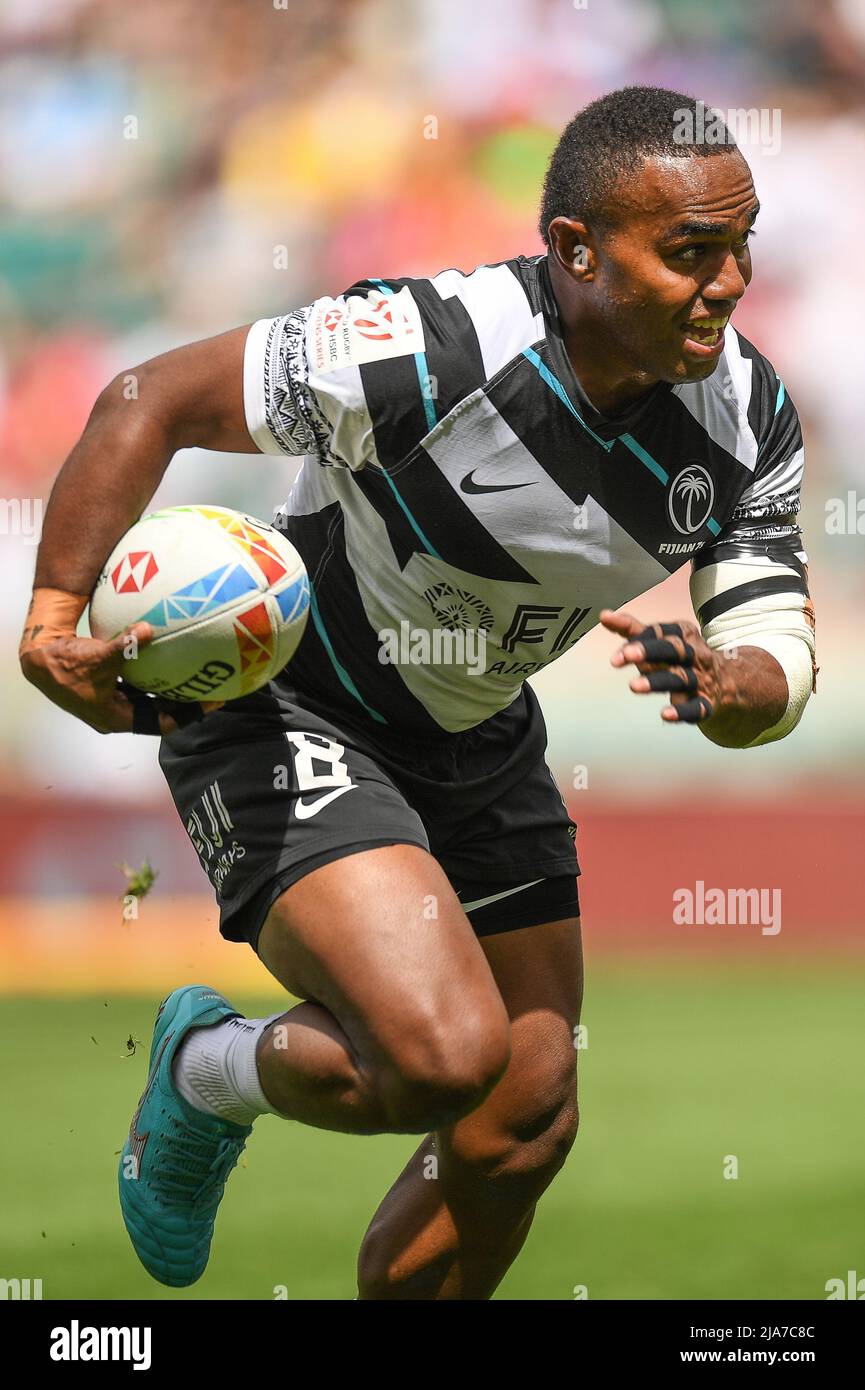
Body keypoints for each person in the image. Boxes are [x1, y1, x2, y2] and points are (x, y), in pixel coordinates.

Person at [19, 86, 816, 1300]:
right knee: (443, 1055)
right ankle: (205, 1069)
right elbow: (149, 396)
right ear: (576, 250)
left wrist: (732, 683)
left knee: (523, 1116)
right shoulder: (426, 347)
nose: (727, 282)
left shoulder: (749, 420)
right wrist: (54, 617)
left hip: (478, 733)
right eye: (689, 251)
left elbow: (775, 654)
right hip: (295, 706)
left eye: (739, 245)